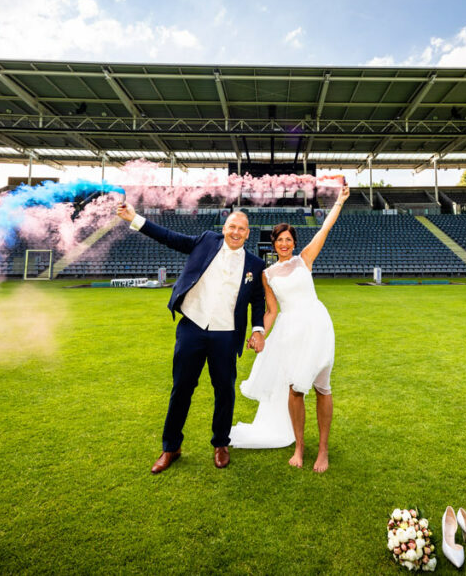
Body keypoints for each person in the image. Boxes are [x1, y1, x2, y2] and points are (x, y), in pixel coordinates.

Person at [116, 203, 266, 473]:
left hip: (226, 334)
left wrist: (258, 329)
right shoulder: (206, 241)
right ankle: (170, 447)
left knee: (225, 391)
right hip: (192, 327)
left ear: (248, 234)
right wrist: (134, 218)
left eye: (241, 229)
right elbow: (169, 238)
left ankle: (221, 444)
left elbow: (257, 301)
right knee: (182, 388)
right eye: (232, 226)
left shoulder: (255, 264)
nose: (236, 232)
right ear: (224, 228)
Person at [230, 185, 349, 472]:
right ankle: (299, 445)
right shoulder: (267, 274)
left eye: (288, 239)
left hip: (317, 326)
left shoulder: (304, 260)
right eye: (279, 240)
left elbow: (325, 229)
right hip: (290, 332)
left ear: (294, 243)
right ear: (274, 244)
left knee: (322, 387)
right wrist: (258, 333)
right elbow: (271, 311)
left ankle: (323, 450)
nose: (284, 244)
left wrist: (340, 202)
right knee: (295, 390)